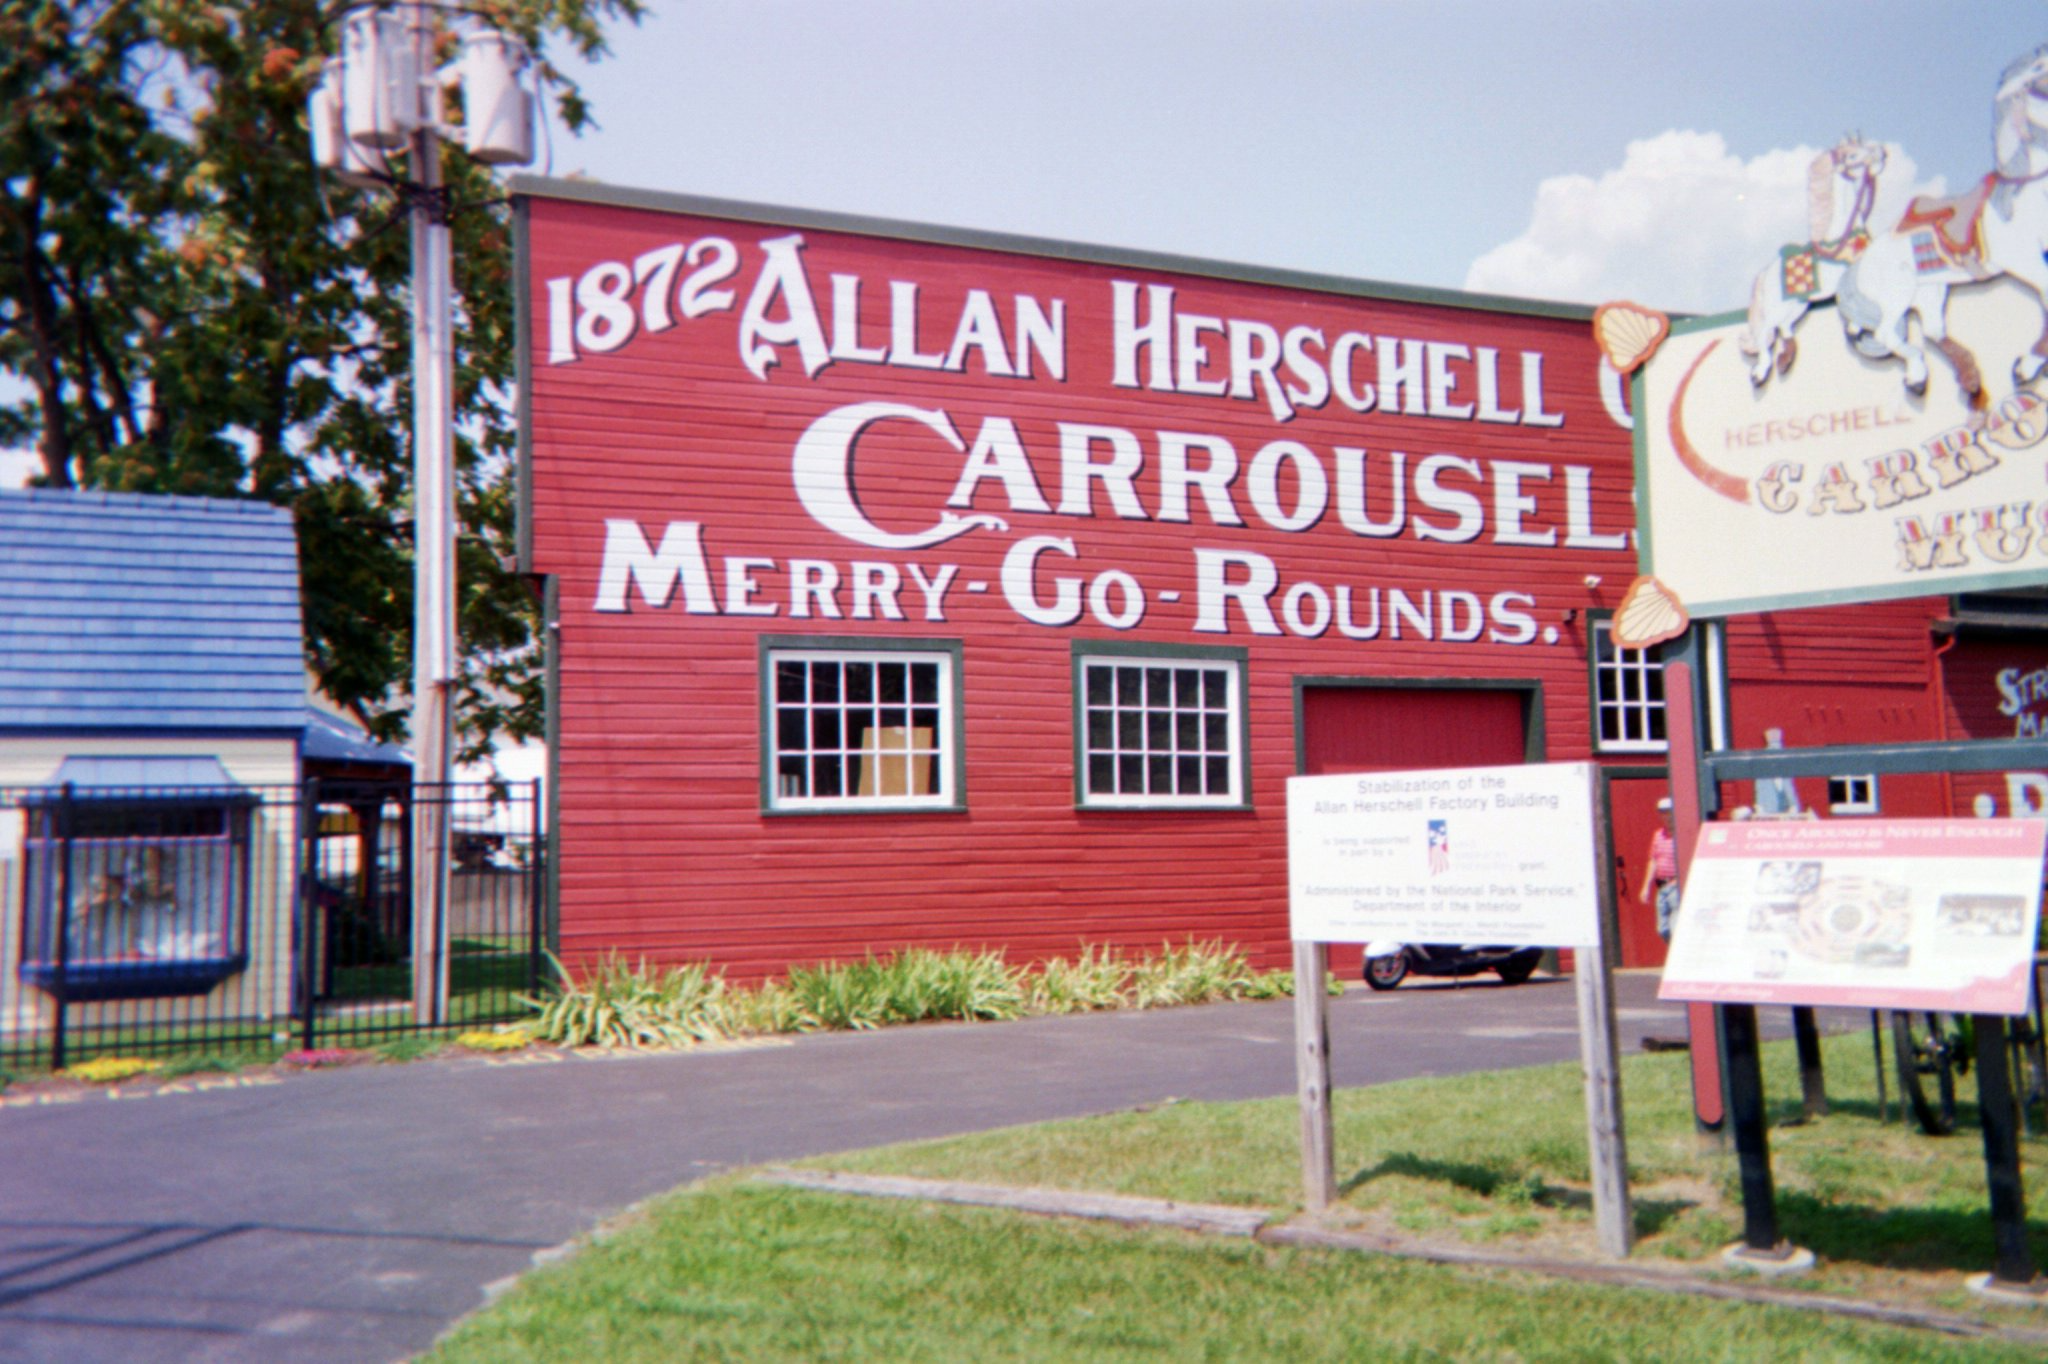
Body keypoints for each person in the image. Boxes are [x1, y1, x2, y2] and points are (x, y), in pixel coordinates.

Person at [1639, 797, 1680, 940]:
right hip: (1661, 887)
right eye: (1663, 813)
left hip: (1675, 885)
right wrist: (1646, 887)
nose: (1666, 816)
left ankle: (1676, 953)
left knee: (1675, 926)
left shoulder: (1681, 834)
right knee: (1662, 929)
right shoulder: (1658, 835)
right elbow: (1653, 860)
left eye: (1669, 812)